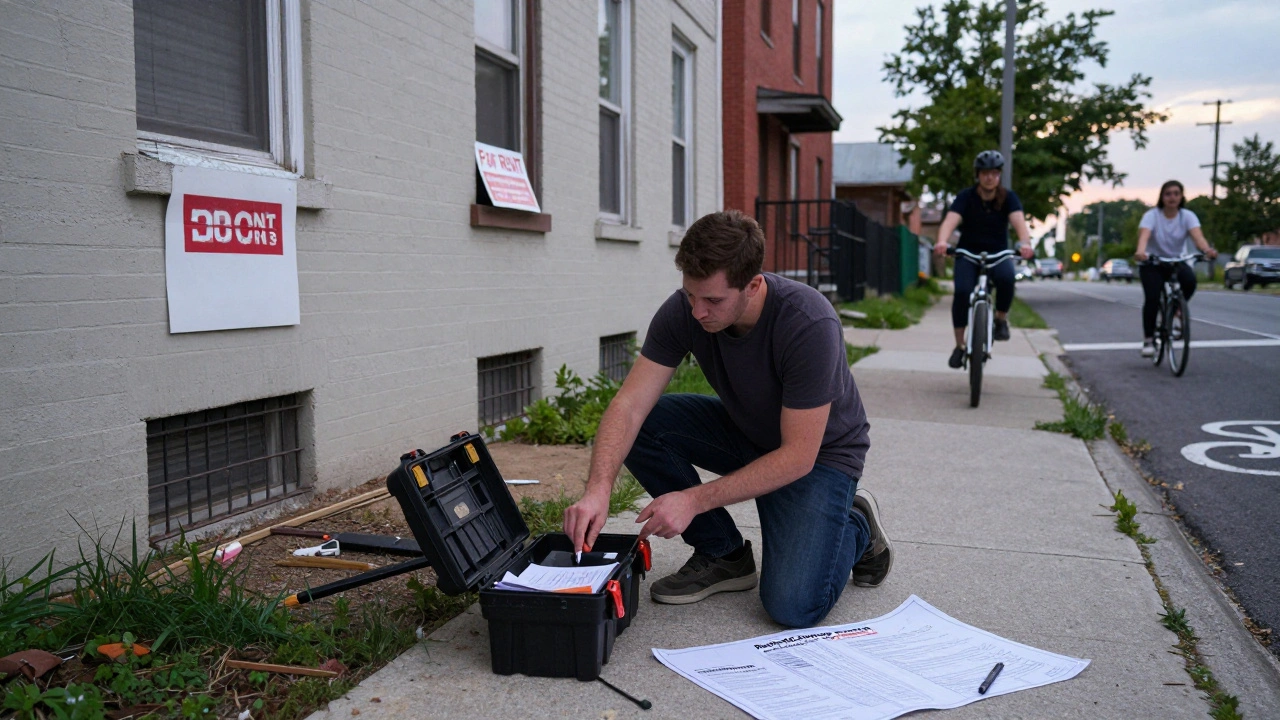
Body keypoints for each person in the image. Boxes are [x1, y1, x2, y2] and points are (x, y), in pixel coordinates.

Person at [562, 210, 892, 629]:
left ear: (753, 284)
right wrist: (597, 490)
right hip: (748, 432)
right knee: (647, 423)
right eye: (689, 296)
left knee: (793, 606)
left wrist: (693, 500)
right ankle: (723, 554)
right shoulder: (687, 309)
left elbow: (797, 458)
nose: (697, 312)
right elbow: (629, 405)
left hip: (819, 457)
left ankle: (857, 523)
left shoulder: (808, 322)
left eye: (713, 300)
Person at [932, 151, 1034, 369]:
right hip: (968, 253)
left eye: (995, 173)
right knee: (961, 292)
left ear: (999, 176)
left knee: (1007, 279)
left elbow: (1019, 223)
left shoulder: (1008, 198)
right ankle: (959, 346)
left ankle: (1000, 319)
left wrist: (1025, 243)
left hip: (998, 254)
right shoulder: (966, 197)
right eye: (986, 173)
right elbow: (951, 220)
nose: (990, 178)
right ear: (978, 175)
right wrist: (942, 241)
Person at [1134, 180, 1217, 357]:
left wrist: (1206, 250)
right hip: (1153, 262)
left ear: (1181, 197)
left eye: (1176, 193)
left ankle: (1177, 309)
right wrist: (1141, 252)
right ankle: (1149, 339)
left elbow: (1198, 237)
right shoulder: (1152, 216)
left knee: (1190, 282)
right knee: (1153, 298)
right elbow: (1144, 236)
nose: (1172, 197)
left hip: (1176, 261)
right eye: (1168, 194)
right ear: (1162, 197)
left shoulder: (1187, 216)